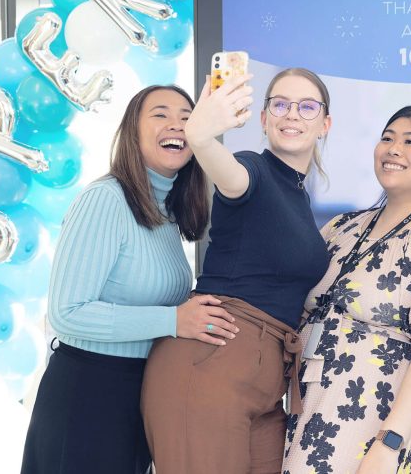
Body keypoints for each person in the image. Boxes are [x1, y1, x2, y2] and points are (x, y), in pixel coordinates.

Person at [21, 85, 238, 474]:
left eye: (187, 117)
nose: (176, 124)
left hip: (134, 394)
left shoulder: (166, 214)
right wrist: (173, 320)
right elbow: (67, 312)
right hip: (87, 394)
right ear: (131, 132)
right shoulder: (106, 198)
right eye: (160, 114)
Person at [141, 68, 333, 474]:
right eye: (279, 105)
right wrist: (201, 137)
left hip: (265, 382)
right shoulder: (253, 170)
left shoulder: (298, 195)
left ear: (325, 123)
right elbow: (230, 176)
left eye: (306, 107)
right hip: (210, 362)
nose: (291, 115)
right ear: (263, 119)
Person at [282, 106, 411, 474]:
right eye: (387, 138)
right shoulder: (342, 227)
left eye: (410, 142)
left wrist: (388, 445)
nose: (393, 149)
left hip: (367, 420)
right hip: (303, 404)